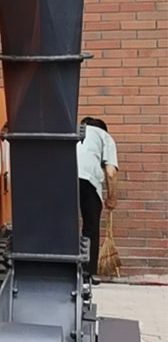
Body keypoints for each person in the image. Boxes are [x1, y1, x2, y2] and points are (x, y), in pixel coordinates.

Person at [76, 116, 119, 284]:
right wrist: (111, 198)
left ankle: (62, 268)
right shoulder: (105, 137)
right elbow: (111, 172)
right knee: (91, 227)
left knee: (64, 224)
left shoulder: (74, 131)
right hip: (89, 181)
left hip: (64, 177)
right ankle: (88, 273)